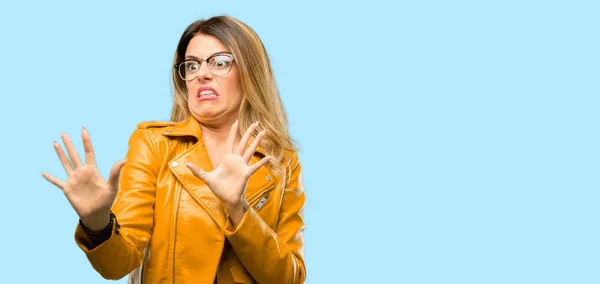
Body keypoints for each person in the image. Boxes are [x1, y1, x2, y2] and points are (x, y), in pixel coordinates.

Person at [42, 15, 306, 284]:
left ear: (250, 70)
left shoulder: (282, 161)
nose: (202, 73)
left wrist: (237, 209)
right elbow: (118, 264)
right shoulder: (154, 144)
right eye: (192, 66)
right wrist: (97, 223)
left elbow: (289, 278)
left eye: (221, 62)